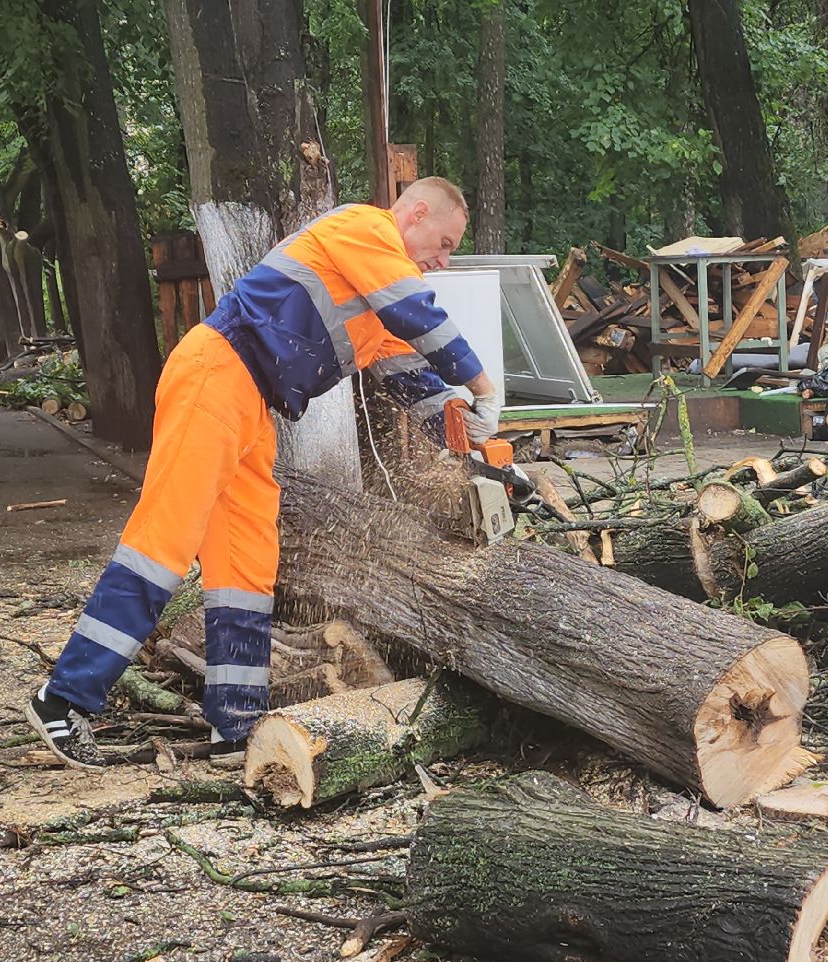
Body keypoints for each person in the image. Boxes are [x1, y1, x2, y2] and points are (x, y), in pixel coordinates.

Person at [25, 177, 499, 768]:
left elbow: (412, 380)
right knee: (163, 543)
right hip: (216, 373)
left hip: (251, 403)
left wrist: (475, 441)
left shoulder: (379, 290)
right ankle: (63, 699)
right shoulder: (366, 229)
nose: (444, 257)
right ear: (418, 213)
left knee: (246, 560)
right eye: (447, 241)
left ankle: (235, 719)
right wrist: (484, 384)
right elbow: (420, 315)